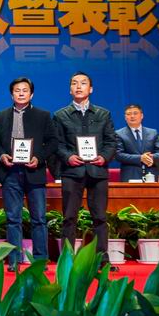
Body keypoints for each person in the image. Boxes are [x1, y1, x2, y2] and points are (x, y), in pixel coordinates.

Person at [53, 71, 117, 268]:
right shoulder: (60, 115)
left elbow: (111, 142)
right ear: (70, 89)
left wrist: (104, 157)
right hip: (73, 172)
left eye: (83, 83)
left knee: (100, 218)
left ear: (91, 89)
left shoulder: (103, 114)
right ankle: (67, 261)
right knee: (69, 218)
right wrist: (68, 157)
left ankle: (102, 260)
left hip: (98, 172)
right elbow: (57, 144)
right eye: (74, 83)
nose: (78, 86)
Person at [0, 77, 57, 271]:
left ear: (32, 94)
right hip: (10, 172)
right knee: (13, 219)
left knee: (39, 219)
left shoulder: (43, 115)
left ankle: (40, 260)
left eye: (25, 90)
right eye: (17, 90)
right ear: (11, 94)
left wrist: (39, 158)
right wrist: (2, 155)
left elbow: (53, 142)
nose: (21, 93)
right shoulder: (1, 116)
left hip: (34, 172)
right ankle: (14, 260)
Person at [115, 104, 159, 182]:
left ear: (142, 116)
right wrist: (140, 158)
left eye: (135, 113)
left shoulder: (153, 132)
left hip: (151, 174)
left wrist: (151, 157)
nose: (132, 116)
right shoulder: (119, 134)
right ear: (125, 117)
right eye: (129, 114)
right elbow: (118, 155)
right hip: (130, 175)